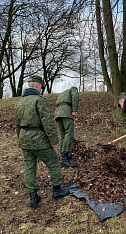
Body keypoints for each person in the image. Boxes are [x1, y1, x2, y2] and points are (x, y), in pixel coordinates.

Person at [14, 75, 70, 209]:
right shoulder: (40, 100)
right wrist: (54, 141)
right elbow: (48, 123)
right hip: (40, 140)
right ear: (38, 86)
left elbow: (17, 125)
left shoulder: (19, 103)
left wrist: (21, 139)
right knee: (53, 163)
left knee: (29, 167)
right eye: (41, 87)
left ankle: (33, 196)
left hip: (24, 139)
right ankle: (57, 191)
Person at [54, 86, 79, 168]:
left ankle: (62, 155)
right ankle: (64, 157)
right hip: (66, 113)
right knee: (69, 134)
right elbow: (75, 97)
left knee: (63, 135)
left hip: (58, 113)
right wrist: (74, 110)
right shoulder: (73, 90)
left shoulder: (63, 94)